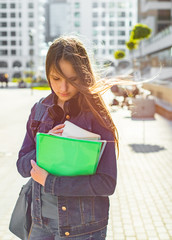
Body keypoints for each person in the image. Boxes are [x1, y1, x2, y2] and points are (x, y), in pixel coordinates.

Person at [17, 36, 118, 240]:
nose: (63, 88)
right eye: (56, 79)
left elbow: (107, 183)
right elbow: (21, 166)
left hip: (83, 228)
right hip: (39, 224)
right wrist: (44, 148)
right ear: (47, 75)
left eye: (72, 80)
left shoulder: (97, 115)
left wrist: (50, 182)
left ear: (84, 76)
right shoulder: (39, 110)